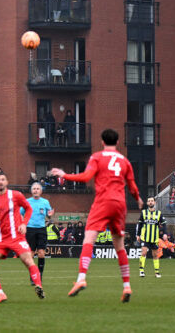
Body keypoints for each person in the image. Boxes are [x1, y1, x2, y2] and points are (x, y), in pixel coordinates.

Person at [51, 128, 143, 302]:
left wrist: (65, 175)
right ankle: (126, 286)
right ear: (117, 142)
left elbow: (86, 177)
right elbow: (132, 186)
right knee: (120, 246)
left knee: (88, 240)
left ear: (102, 142)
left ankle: (81, 278)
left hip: (102, 202)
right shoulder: (124, 161)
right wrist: (138, 199)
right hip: (119, 204)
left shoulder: (97, 157)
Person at [0, 172, 44, 303]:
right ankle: (0, 293)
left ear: (7, 182)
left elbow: (28, 209)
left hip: (17, 238)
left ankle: (38, 286)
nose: (1, 182)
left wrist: (24, 224)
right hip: (1, 240)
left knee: (28, 260)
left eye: (3, 179)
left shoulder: (16, 195)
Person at [24, 182, 54, 278]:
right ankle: (32, 275)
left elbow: (48, 216)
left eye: (37, 189)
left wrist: (50, 215)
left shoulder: (45, 202)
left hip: (41, 229)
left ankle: (40, 275)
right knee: (31, 253)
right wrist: (22, 224)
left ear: (41, 191)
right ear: (31, 191)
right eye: (34, 189)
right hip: (30, 229)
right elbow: (20, 213)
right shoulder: (27, 201)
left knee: (41, 253)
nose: (36, 190)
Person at [137, 196, 165, 278]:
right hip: (144, 237)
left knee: (155, 255)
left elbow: (164, 224)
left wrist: (164, 233)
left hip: (154, 238)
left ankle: (157, 272)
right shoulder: (143, 212)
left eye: (152, 201)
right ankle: (141, 270)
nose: (150, 202)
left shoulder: (159, 213)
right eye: (149, 201)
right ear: (147, 203)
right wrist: (138, 235)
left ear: (154, 202)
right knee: (144, 252)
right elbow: (140, 224)